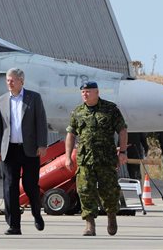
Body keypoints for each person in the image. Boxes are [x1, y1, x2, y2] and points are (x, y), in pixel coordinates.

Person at [65, 81, 128, 236]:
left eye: (88, 91)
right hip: (85, 159)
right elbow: (71, 134)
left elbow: (122, 130)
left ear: (97, 92)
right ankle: (89, 224)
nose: (85, 94)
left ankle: (111, 216)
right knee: (85, 190)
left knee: (110, 190)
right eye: (83, 92)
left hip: (106, 159)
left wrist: (123, 151)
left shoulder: (110, 109)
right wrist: (68, 157)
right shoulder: (77, 112)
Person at [0, 68, 47, 235]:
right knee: (10, 187)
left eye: (13, 80)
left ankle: (37, 213)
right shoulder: (1, 100)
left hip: (30, 149)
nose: (10, 83)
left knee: (30, 185)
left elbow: (41, 122)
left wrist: (42, 144)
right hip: (9, 149)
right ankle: (14, 225)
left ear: (21, 81)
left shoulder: (34, 98)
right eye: (8, 80)